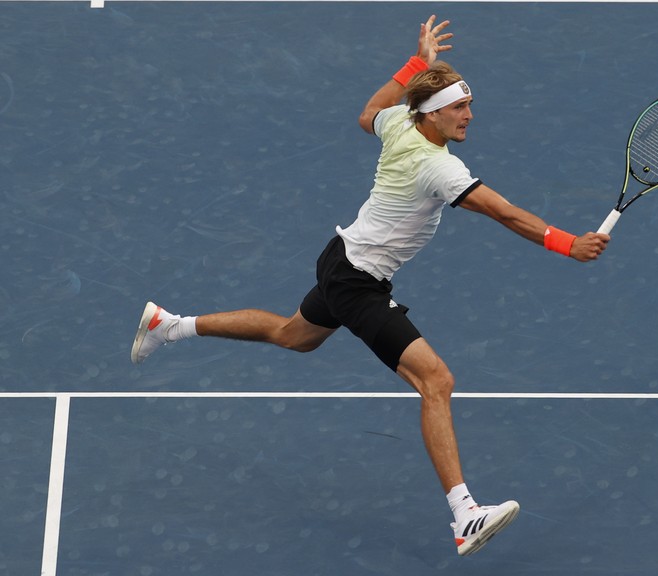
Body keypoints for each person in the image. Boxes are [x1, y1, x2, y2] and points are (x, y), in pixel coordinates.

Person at [131, 15, 609, 556]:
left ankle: (169, 326)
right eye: (459, 107)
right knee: (436, 380)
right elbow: (503, 213)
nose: (469, 116)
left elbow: (368, 113)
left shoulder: (399, 126)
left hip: (340, 261)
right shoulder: (441, 170)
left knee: (294, 335)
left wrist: (418, 64)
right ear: (430, 114)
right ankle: (464, 515)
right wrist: (569, 244)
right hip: (357, 281)